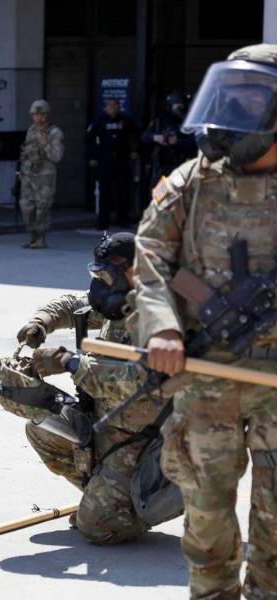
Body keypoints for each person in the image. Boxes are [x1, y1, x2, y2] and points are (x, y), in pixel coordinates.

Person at [135, 44, 277, 599]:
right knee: (208, 522)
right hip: (206, 373)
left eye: (250, 101)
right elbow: (151, 259)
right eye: (228, 98)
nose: (232, 114)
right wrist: (162, 328)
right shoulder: (190, 182)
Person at [8, 233, 180, 544]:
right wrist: (41, 322)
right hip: (108, 423)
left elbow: (140, 381)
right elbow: (73, 304)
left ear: (132, 271)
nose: (99, 284)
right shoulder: (122, 301)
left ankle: (134, 508)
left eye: (104, 276)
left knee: (97, 529)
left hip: (148, 442)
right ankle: (105, 497)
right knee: (43, 429)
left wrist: (70, 363)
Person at [18, 99, 65, 249]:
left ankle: (41, 237)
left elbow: (57, 156)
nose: (38, 118)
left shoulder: (55, 132)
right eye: (35, 115)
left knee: (42, 207)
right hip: (29, 174)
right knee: (27, 206)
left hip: (45, 176)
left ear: (47, 115)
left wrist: (45, 144)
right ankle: (32, 235)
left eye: (41, 114)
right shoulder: (31, 130)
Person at [87, 98, 139, 229]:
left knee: (123, 191)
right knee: (105, 192)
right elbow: (91, 138)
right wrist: (93, 157)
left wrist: (134, 151)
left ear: (118, 107)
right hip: (105, 160)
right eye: (109, 106)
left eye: (114, 106)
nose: (112, 108)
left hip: (122, 160)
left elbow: (137, 135)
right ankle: (103, 222)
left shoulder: (125, 120)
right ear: (106, 108)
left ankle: (123, 220)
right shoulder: (100, 120)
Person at [140, 92, 196, 188]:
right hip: (161, 167)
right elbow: (144, 137)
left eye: (181, 106)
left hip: (180, 166)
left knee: (178, 192)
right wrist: (155, 137)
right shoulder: (158, 122)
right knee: (160, 194)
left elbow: (193, 143)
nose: (179, 109)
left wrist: (177, 142)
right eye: (177, 106)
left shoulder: (186, 123)